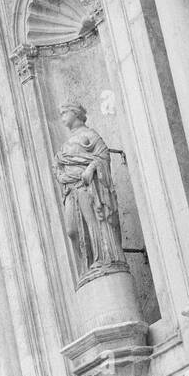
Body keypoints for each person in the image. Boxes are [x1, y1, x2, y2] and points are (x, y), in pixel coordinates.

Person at [53, 101, 125, 276]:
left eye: (64, 113)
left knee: (93, 222)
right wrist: (61, 174)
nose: (62, 117)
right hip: (70, 189)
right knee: (72, 230)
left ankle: (102, 258)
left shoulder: (90, 135)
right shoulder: (67, 144)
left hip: (87, 186)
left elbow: (103, 156)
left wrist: (91, 168)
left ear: (75, 113)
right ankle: (86, 264)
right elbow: (58, 166)